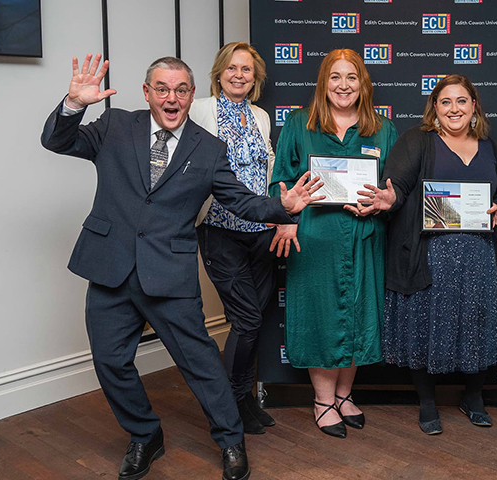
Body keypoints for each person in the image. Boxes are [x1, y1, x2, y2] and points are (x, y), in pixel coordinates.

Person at [41, 54, 321, 480]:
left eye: (181, 90)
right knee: (111, 362)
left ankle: (230, 440)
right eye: (162, 89)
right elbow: (57, 141)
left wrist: (280, 206)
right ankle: (144, 435)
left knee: (201, 364)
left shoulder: (208, 148)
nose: (171, 98)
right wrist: (73, 105)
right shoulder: (116, 126)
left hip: (168, 273)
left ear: (193, 94)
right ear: (147, 92)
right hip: (111, 266)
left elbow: (240, 201)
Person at [357, 74, 497, 435]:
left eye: (461, 101)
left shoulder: (492, 148)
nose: (454, 109)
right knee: (425, 327)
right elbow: (396, 187)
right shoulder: (417, 141)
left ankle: (473, 397)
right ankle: (427, 402)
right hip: (429, 255)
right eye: (445, 102)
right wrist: (388, 199)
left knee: (478, 326)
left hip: (477, 257)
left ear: (474, 106)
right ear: (435, 107)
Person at [268, 49, 398, 439]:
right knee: (321, 317)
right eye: (335, 77)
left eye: (352, 77)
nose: (344, 85)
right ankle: (322, 401)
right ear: (324, 82)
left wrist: (382, 203)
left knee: (359, 315)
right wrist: (286, 219)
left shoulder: (383, 129)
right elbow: (281, 178)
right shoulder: (299, 124)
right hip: (315, 237)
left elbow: (393, 188)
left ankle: (344, 395)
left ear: (363, 84)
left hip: (364, 237)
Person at [186, 42, 279, 436]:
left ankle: (242, 400)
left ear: (255, 77)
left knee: (253, 322)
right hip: (220, 228)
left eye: (247, 69)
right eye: (233, 68)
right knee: (246, 318)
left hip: (260, 232)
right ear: (219, 72)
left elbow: (267, 167)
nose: (239, 75)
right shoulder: (199, 110)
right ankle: (227, 404)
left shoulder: (260, 116)